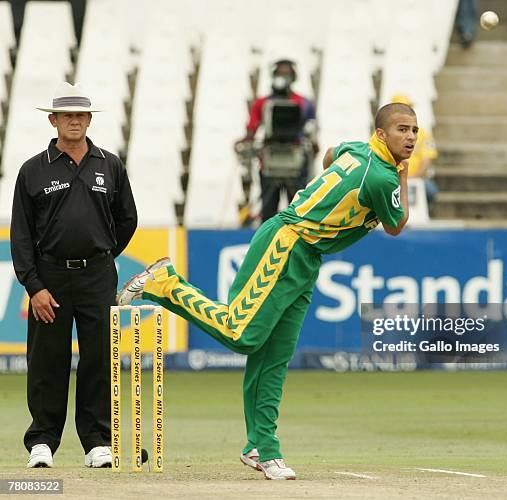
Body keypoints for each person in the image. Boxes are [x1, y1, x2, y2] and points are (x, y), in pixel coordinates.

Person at [117, 102, 416, 480]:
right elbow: (397, 223)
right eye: (402, 129)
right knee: (243, 334)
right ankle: (166, 284)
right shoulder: (383, 178)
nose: (410, 137)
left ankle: (261, 446)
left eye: (414, 131)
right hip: (286, 243)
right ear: (381, 134)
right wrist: (403, 177)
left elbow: (329, 156)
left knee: (273, 356)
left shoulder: (356, 149)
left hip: (307, 255)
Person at [10, 82, 137, 468]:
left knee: (99, 357)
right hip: (49, 276)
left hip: (97, 275)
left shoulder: (109, 163)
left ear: (89, 120)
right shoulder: (33, 169)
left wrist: (100, 256)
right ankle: (42, 441)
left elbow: (127, 219)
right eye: (68, 116)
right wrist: (34, 286)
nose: (75, 122)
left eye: (81, 116)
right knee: (48, 359)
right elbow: (21, 235)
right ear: (53, 120)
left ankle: (97, 441)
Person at [235, 59, 318, 223]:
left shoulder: (304, 103)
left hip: (295, 162)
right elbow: (251, 130)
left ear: (293, 77)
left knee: (297, 211)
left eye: (286, 74)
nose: (282, 77)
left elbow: (312, 133)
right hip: (269, 162)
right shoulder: (261, 103)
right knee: (268, 211)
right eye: (280, 74)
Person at [391, 94, 438, 204]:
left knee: (430, 190)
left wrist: (412, 178)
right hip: (391, 179)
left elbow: (426, 161)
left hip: (416, 179)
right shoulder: (383, 133)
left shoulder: (423, 133)